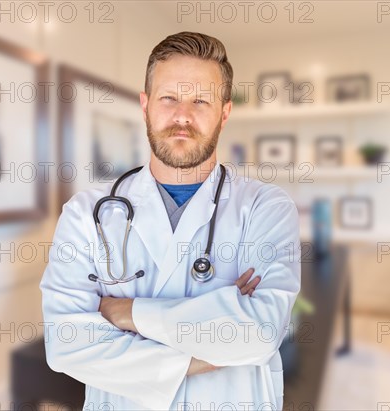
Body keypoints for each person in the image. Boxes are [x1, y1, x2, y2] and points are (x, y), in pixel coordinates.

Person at [40, 32, 301, 411]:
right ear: (144, 105)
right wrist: (204, 349)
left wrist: (125, 312)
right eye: (169, 98)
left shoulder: (266, 207)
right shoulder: (86, 214)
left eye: (200, 100)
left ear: (224, 113)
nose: (183, 116)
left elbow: (260, 333)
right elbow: (66, 342)